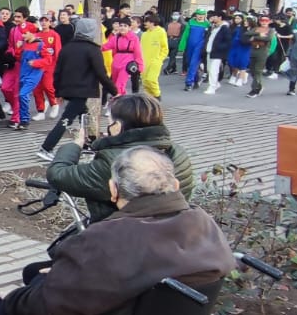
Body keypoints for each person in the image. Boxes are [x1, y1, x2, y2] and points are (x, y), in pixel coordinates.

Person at [0, 147, 235, 315]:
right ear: (176, 186)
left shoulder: (108, 236)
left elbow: (50, 307)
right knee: (36, 272)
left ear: (113, 189)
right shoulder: (202, 222)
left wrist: (12, 299)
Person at [44, 93, 194, 222]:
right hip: (172, 230)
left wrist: (75, 144)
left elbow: (58, 174)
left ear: (117, 126)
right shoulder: (177, 152)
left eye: (109, 121)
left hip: (122, 237)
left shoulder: (116, 161)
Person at [36, 18, 115, 161]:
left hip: (68, 89)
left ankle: (85, 143)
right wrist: (115, 92)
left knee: (83, 115)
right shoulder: (93, 49)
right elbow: (101, 74)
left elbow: (57, 71)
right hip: (82, 90)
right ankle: (46, 147)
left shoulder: (68, 47)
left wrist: (58, 91)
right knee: (66, 119)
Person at [102, 18, 143, 96]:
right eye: (121, 25)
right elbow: (106, 46)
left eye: (125, 26)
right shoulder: (116, 38)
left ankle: (119, 102)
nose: (122, 27)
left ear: (129, 27)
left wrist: (140, 66)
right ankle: (122, 100)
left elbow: (138, 52)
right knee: (114, 86)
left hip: (127, 64)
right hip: (115, 64)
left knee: (119, 85)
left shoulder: (134, 38)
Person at [139, 15, 167, 98]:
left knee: (151, 80)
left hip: (155, 61)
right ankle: (149, 99)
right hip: (144, 62)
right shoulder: (144, 34)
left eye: (146, 21)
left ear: (152, 22)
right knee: (145, 82)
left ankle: (157, 96)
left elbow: (164, 48)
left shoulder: (161, 31)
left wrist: (159, 59)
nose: (145, 23)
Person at [245, 16, 273, 98]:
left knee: (258, 70)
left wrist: (254, 37)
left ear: (269, 22)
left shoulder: (270, 30)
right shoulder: (256, 29)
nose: (264, 22)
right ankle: (259, 85)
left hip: (263, 51)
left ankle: (255, 89)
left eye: (266, 21)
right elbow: (247, 33)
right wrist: (258, 34)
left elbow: (268, 38)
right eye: (262, 21)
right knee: (252, 70)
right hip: (253, 50)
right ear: (260, 21)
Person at [181, 11, 209, 92]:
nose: (200, 16)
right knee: (190, 64)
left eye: (202, 15)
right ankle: (196, 80)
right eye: (199, 14)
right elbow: (185, 34)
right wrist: (182, 46)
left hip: (199, 47)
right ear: (196, 15)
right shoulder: (191, 22)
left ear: (204, 15)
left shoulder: (207, 24)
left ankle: (188, 83)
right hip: (190, 46)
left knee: (193, 63)